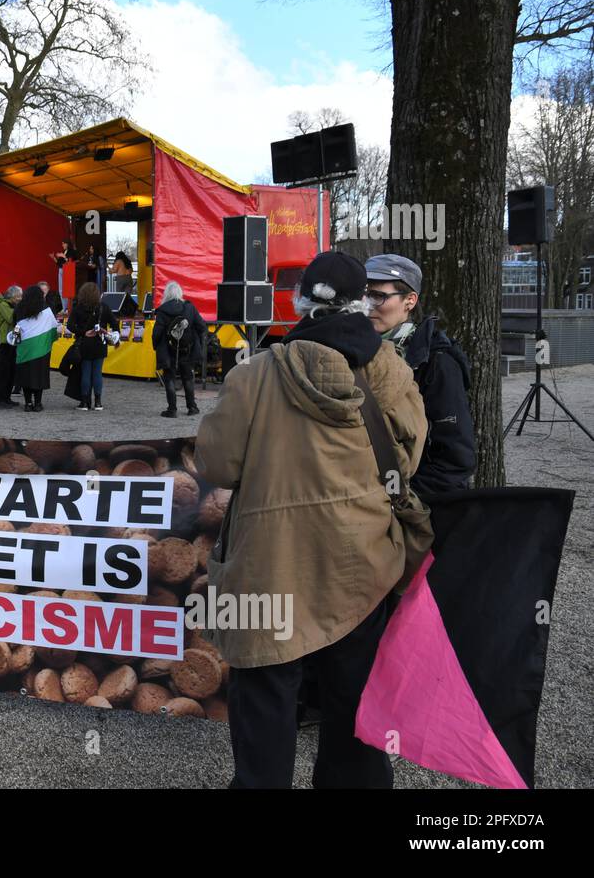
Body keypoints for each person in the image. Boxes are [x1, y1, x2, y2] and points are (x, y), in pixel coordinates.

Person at [194, 251, 428, 788]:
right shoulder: (391, 369)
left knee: (266, 702)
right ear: (361, 303)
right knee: (354, 704)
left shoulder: (257, 372)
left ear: (299, 302)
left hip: (268, 566)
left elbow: (217, 464)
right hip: (362, 565)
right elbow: (409, 460)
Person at [365, 254, 476, 495]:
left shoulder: (437, 363)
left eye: (378, 295)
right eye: (363, 295)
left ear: (410, 301)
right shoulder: (355, 352)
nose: (367, 304)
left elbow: (455, 460)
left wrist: (400, 499)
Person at [152, 281, 207, 418]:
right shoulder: (189, 308)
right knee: (187, 378)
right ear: (180, 293)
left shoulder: (163, 311)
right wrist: (197, 342)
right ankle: (192, 407)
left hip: (168, 350)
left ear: (166, 294)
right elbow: (202, 327)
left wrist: (156, 346)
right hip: (187, 349)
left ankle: (172, 409)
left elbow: (157, 333)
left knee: (169, 378)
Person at [66, 281, 118, 411]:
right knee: (97, 373)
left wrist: (83, 332)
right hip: (100, 343)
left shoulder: (78, 308)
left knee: (86, 372)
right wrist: (110, 334)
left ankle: (84, 402)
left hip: (84, 343)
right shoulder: (104, 307)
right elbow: (115, 324)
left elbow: (70, 326)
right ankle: (98, 402)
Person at [8, 284, 56, 411]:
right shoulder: (46, 309)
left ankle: (28, 403)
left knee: (25, 376)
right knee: (39, 376)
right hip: (42, 349)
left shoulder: (19, 308)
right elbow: (53, 328)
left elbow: (15, 325)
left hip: (24, 348)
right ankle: (38, 404)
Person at [0, 285, 21, 408]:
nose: (20, 298)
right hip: (3, 342)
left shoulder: (11, 305)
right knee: (3, 372)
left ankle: (7, 397)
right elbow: (11, 318)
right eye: (18, 296)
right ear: (12, 296)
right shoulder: (2, 305)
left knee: (11, 372)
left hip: (12, 342)